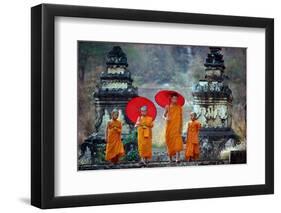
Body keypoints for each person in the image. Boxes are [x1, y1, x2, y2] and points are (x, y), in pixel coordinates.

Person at [163, 93, 183, 163]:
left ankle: (177, 158)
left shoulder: (179, 107)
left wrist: (181, 127)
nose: (175, 100)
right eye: (174, 98)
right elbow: (164, 115)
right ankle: (170, 158)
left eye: (176, 99)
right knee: (169, 142)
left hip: (177, 127)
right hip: (169, 127)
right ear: (171, 99)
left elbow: (181, 118)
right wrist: (166, 118)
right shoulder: (167, 107)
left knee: (178, 143)